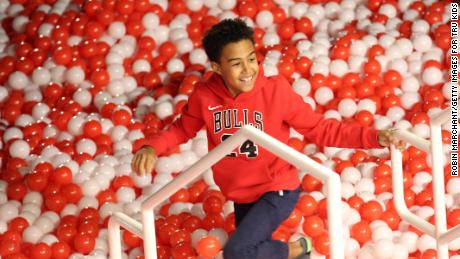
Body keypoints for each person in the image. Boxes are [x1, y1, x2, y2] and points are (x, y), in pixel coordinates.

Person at [132, 18, 404, 259]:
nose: (248, 69)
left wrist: (374, 137)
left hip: (277, 187)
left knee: (238, 252)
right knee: (251, 252)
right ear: (216, 67)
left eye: (251, 58)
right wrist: (151, 147)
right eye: (236, 64)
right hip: (240, 194)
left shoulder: (275, 91)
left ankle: (299, 249)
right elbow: (182, 129)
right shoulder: (204, 96)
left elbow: (320, 129)